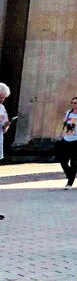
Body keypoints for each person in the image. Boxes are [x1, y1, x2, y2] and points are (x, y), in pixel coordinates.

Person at [57, 96, 77, 187]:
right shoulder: (68, 113)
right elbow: (65, 124)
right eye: (72, 103)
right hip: (67, 138)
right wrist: (62, 133)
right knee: (63, 160)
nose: (73, 104)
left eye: (75, 103)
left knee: (74, 161)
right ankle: (69, 175)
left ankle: (70, 182)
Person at [0, 82, 10, 220]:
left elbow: (4, 126)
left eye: (3, 98)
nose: (2, 100)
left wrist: (6, 124)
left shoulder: (1, 108)